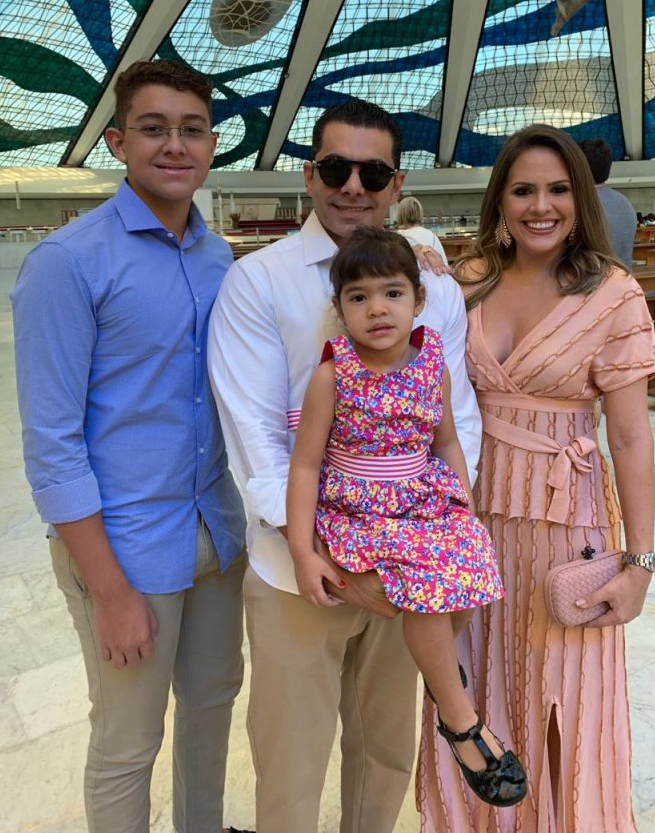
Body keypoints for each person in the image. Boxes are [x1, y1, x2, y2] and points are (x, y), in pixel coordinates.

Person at [208, 100, 482, 833]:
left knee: (385, 753)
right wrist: (325, 555)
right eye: (336, 169)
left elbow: (456, 423)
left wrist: (439, 533)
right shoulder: (258, 282)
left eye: (373, 173)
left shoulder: (436, 291)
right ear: (310, 175)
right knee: (291, 762)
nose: (353, 186)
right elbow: (258, 440)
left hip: (408, 569)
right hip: (301, 570)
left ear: (397, 184)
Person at [11, 60, 249, 833]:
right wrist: (110, 592)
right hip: (125, 548)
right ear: (118, 142)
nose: (174, 146)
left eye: (191, 130)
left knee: (211, 708)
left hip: (215, 534)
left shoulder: (217, 259)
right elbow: (52, 446)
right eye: (154, 129)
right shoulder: (68, 263)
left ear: (211, 144)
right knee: (127, 740)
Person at [419, 124, 655, 833]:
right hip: (470, 520)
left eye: (557, 189)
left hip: (565, 523)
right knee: (474, 686)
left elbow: (630, 437)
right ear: (500, 200)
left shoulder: (613, 293)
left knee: (566, 697)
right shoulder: (466, 282)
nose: (540, 205)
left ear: (580, 199)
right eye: (523, 190)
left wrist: (640, 564)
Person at [287, 226, 526, 809]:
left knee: (471, 580)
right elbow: (305, 465)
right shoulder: (333, 374)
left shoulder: (430, 364)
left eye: (392, 293)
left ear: (418, 301)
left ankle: (444, 681)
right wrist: (302, 550)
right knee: (428, 595)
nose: (377, 309)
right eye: (359, 297)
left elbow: (444, 440)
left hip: (422, 497)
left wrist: (462, 504)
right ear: (340, 308)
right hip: (362, 511)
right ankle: (462, 723)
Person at [578, 138, 637, 267]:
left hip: (593, 278)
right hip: (623, 276)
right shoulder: (624, 201)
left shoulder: (580, 204)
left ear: (577, 167)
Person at [394, 194, 448, 263]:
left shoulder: (397, 237)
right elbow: (444, 262)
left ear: (400, 214)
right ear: (420, 212)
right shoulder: (432, 236)